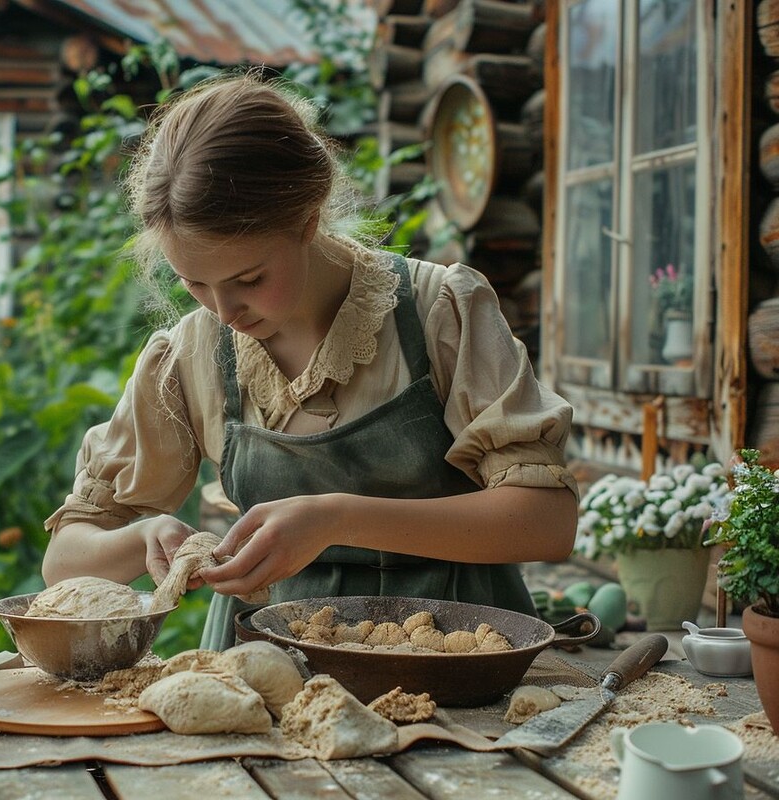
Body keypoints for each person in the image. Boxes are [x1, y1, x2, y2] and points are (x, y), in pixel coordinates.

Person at [41, 72, 578, 650]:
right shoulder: (188, 358)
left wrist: (336, 520)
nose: (224, 311)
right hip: (275, 679)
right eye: (193, 282)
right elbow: (64, 563)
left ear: (308, 220)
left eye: (249, 278)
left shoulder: (436, 312)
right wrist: (141, 534)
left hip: (462, 661)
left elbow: (548, 521)